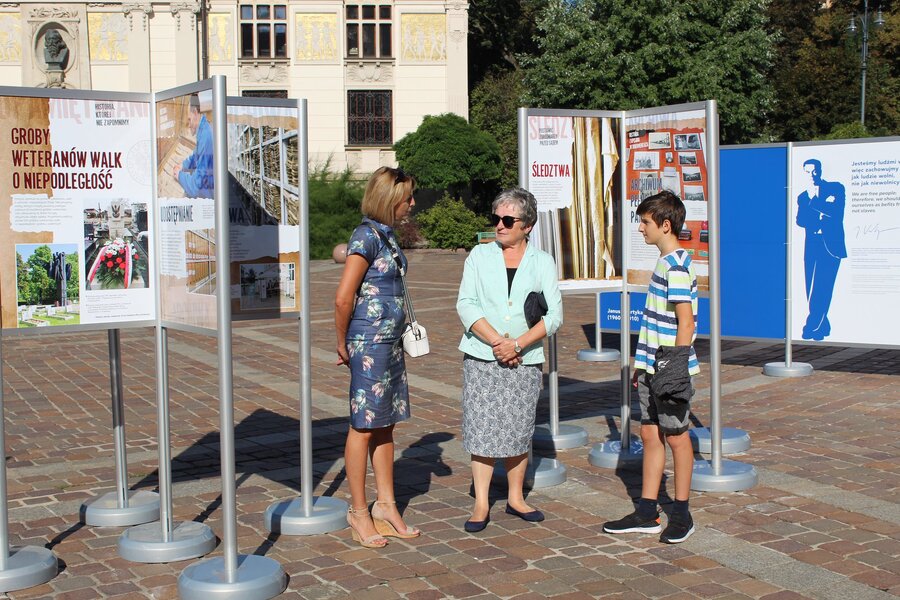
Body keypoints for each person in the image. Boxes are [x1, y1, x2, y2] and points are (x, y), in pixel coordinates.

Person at [456, 187, 563, 533]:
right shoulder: (478, 255)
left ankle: (516, 498)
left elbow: (555, 315)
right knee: (482, 427)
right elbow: (466, 304)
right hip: (482, 355)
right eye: (495, 218)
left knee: (518, 428)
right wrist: (497, 342)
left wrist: (516, 344)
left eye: (507, 220)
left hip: (525, 357)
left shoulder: (542, 261)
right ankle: (482, 502)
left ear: (527, 225)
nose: (499, 226)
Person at [603, 190, 699, 544]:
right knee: (649, 433)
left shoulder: (675, 267)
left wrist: (672, 370)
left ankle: (682, 514)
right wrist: (640, 364)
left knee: (676, 436)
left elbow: (686, 324)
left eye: (645, 222)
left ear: (665, 224)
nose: (640, 228)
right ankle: (646, 512)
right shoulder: (665, 262)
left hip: (668, 369)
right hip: (652, 365)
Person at [334, 166, 420, 548]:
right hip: (369, 345)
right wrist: (342, 343)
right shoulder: (366, 236)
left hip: (391, 343)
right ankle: (358, 512)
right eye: (408, 199)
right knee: (363, 425)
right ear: (390, 201)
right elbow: (343, 296)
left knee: (385, 423)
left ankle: (386, 505)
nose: (412, 205)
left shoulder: (385, 237)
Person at [796, 158, 846, 341]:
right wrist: (818, 207)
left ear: (820, 170)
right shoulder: (803, 196)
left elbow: (836, 213)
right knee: (811, 288)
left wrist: (815, 202)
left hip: (831, 246)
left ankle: (812, 326)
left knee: (823, 287)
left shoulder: (836, 188)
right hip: (812, 245)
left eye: (814, 171)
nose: (812, 175)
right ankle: (823, 325)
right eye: (808, 172)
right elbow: (801, 221)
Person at [174, 95, 214, 198]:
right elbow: (196, 155)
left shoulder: (206, 137)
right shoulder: (203, 129)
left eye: (189, 119)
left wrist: (179, 175)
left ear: (195, 112)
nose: (188, 124)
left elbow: (196, 187)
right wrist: (183, 165)